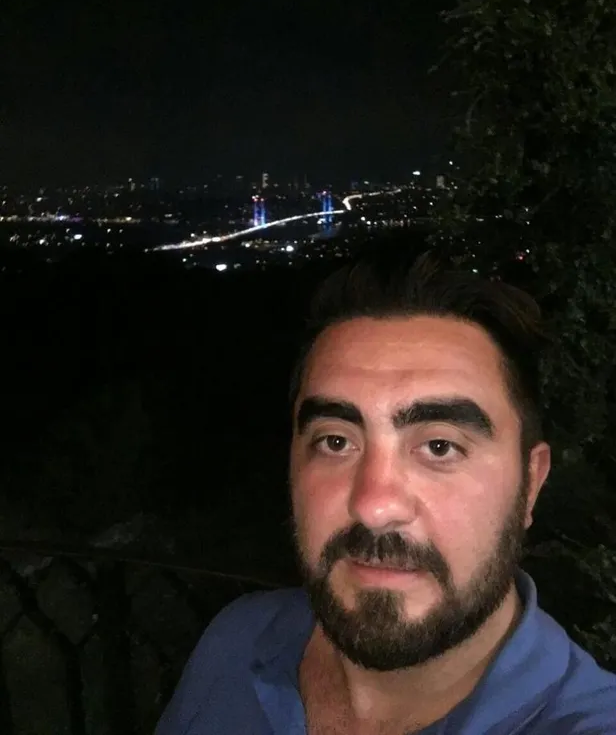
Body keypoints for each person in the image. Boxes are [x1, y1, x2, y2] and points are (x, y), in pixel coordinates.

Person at [156, 244, 616, 734]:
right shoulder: (237, 639)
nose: (374, 507)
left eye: (439, 446)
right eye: (336, 442)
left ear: (531, 484)